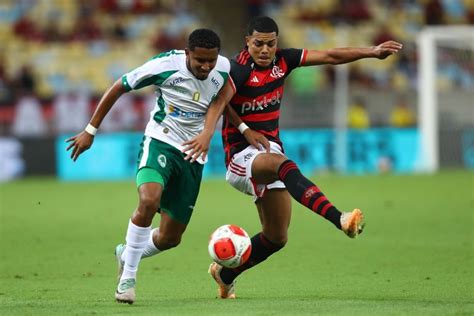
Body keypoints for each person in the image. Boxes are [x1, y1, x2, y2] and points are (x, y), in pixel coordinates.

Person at [188, 16, 403, 299]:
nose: (265, 50)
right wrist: (239, 129)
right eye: (258, 44)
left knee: (276, 237)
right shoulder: (237, 69)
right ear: (247, 42)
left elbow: (329, 55)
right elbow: (218, 102)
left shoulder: (283, 61)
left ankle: (225, 273)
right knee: (283, 166)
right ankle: (340, 218)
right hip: (240, 157)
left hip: (269, 149)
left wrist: (372, 52)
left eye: (271, 44)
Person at [66, 28, 232, 304]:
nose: (205, 66)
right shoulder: (165, 66)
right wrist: (90, 130)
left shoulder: (223, 67)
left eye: (210, 61)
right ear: (187, 53)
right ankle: (128, 279)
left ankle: (127, 252)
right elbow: (119, 86)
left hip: (193, 154)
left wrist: (209, 132)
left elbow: (225, 94)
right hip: (161, 140)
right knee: (149, 199)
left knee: (170, 238)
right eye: (199, 60)